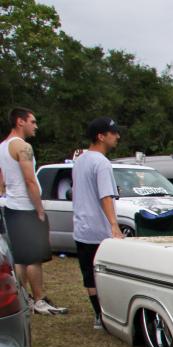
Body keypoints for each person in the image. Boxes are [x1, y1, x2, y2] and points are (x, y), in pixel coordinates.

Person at [0, 107, 67, 314]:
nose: (36, 126)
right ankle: (38, 300)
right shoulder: (22, 146)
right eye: (33, 121)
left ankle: (25, 298)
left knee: (21, 258)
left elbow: (2, 180)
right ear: (20, 122)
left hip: (12, 207)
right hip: (26, 207)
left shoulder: (2, 146)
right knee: (34, 258)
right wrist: (39, 210)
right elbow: (30, 180)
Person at [72, 116, 124, 329]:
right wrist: (114, 225)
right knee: (106, 275)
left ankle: (98, 315)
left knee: (89, 275)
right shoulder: (101, 163)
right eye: (113, 133)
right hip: (99, 231)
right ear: (101, 136)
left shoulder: (80, 160)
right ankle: (107, 316)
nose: (117, 136)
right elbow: (106, 196)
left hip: (81, 228)